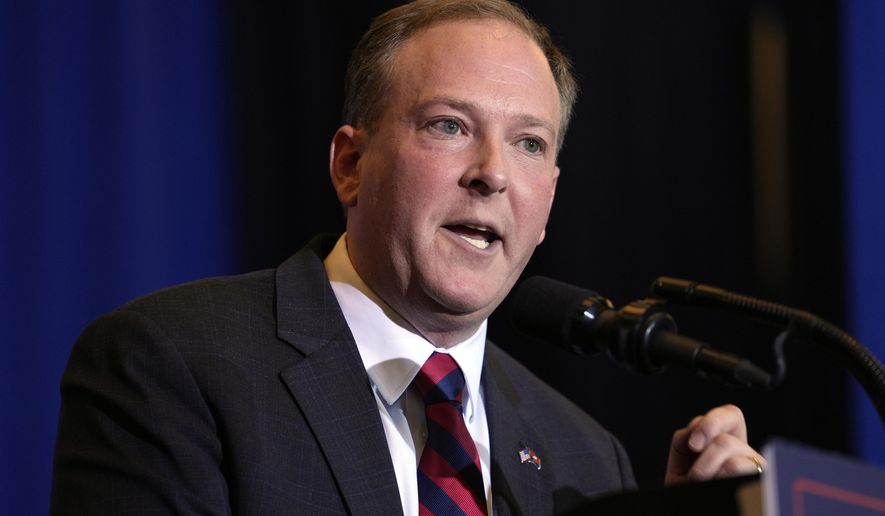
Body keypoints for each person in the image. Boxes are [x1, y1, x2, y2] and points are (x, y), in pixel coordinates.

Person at [51, 0, 765, 514]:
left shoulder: (584, 454)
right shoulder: (173, 365)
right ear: (351, 164)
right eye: (449, 125)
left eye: (528, 144)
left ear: (547, 199)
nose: (492, 172)